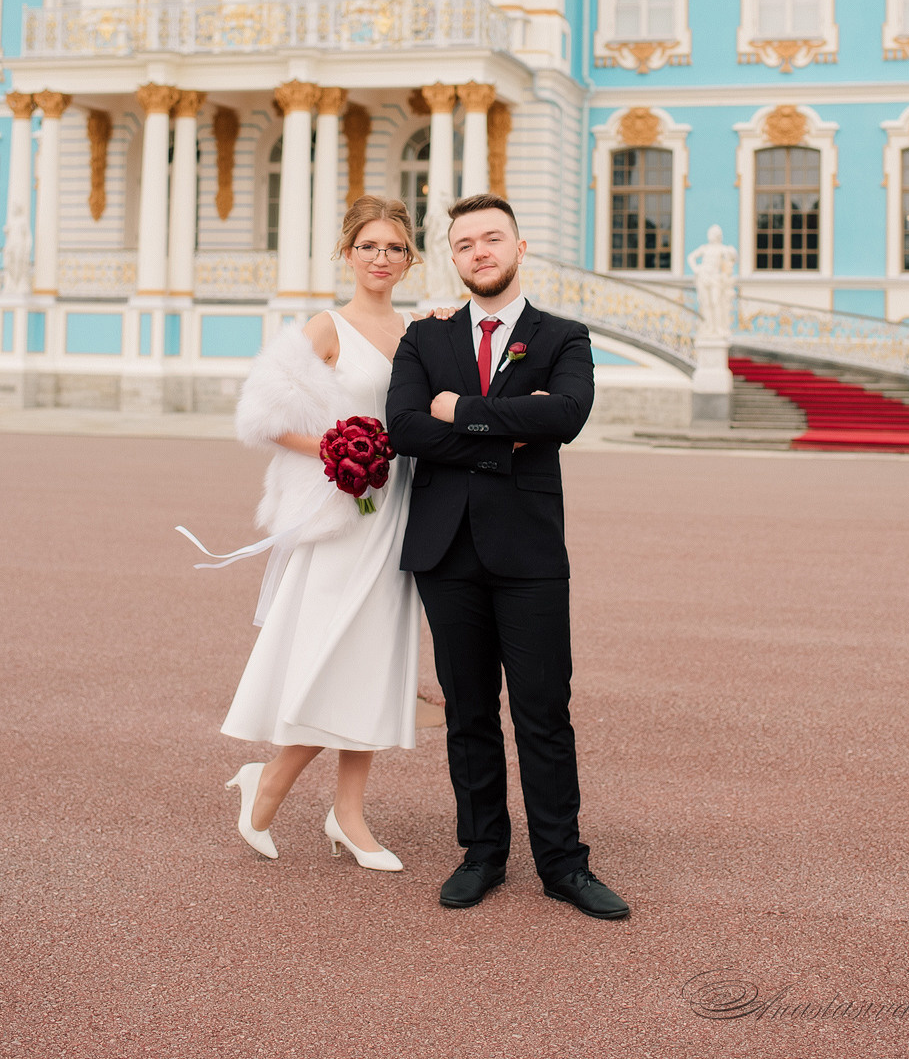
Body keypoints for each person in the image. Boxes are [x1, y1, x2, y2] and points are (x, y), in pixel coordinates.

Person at [386, 192, 630, 920]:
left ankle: (563, 864)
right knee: (468, 712)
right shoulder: (424, 338)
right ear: (453, 258)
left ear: (519, 248)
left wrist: (460, 411)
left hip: (528, 553)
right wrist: (505, 438)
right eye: (465, 244)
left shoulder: (564, 337)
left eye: (492, 239)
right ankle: (482, 853)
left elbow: (565, 415)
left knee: (543, 712)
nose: (480, 252)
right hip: (445, 550)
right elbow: (404, 428)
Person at [220, 195, 426, 870]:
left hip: (400, 512)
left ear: (410, 258)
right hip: (348, 514)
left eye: (394, 248)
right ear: (348, 253)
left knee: (373, 658)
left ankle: (349, 814)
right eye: (369, 246)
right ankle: (271, 779)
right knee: (333, 653)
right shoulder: (326, 327)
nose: (381, 258)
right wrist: (339, 452)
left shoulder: (419, 331)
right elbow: (263, 417)